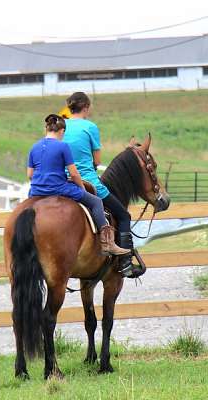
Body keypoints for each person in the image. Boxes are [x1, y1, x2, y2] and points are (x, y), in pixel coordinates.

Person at [62, 92, 143, 278]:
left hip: (62, 182)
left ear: (70, 107)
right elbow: (97, 160)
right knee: (123, 215)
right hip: (88, 182)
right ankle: (125, 263)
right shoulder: (90, 127)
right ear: (86, 108)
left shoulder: (61, 126)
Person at [27, 114, 129, 257]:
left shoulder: (34, 147)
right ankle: (108, 243)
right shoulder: (63, 146)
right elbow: (74, 174)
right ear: (62, 131)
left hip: (36, 191)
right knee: (96, 202)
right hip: (59, 188)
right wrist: (81, 189)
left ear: (46, 129)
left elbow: (30, 175)